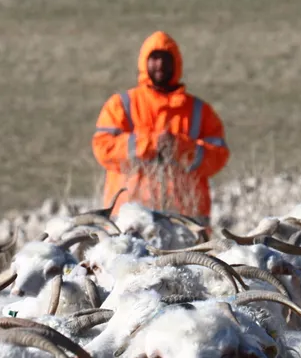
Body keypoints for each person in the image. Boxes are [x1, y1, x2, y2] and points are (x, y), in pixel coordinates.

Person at [92, 31, 229, 220]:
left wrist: (180, 148)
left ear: (177, 63)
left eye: (166, 58)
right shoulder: (122, 105)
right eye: (154, 58)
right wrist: (150, 144)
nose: (160, 64)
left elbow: (218, 157)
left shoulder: (200, 111)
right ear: (143, 62)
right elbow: (103, 148)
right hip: (130, 218)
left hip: (186, 219)